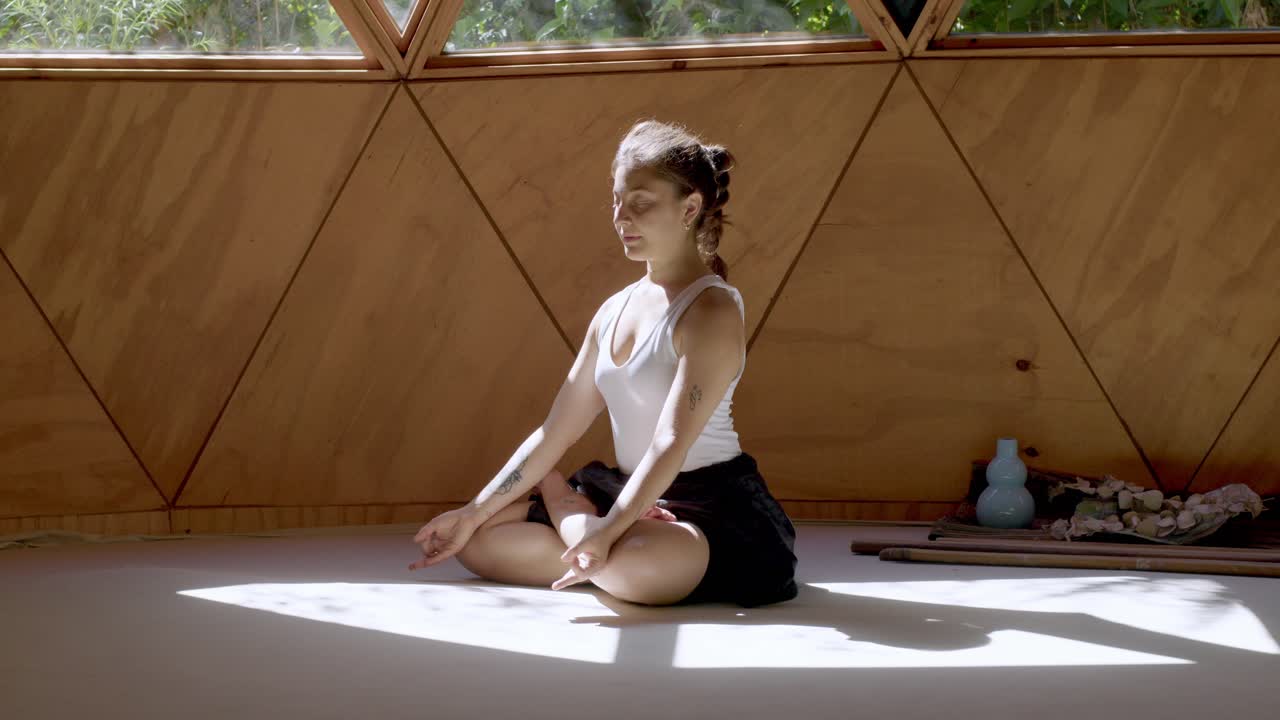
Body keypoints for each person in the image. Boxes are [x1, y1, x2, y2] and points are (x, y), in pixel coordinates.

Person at [408, 119, 799, 607]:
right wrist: (473, 511)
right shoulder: (613, 310)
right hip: (628, 491)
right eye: (616, 201)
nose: (621, 217)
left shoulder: (712, 309)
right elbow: (556, 431)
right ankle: (593, 545)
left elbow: (671, 441)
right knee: (478, 540)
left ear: (690, 207)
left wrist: (610, 526)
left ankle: (571, 515)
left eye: (640, 203)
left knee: (639, 569)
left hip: (709, 503)